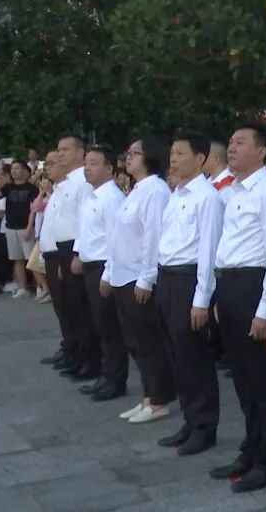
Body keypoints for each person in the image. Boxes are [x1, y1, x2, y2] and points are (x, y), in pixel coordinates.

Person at [210, 123, 266, 492]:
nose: (231, 148)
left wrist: (265, 309)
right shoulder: (233, 192)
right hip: (230, 285)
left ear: (261, 152)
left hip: (254, 286)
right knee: (242, 378)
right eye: (230, 142)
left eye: (240, 142)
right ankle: (252, 448)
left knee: (263, 380)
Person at [155, 132, 225, 452]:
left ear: (200, 159)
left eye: (181, 153)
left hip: (189, 280)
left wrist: (201, 299)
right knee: (175, 354)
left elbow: (208, 251)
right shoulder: (176, 194)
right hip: (168, 277)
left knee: (194, 356)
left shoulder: (207, 197)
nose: (173, 158)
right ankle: (190, 419)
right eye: (172, 152)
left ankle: (204, 426)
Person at [110, 138, 176, 425]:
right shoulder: (137, 190)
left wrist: (147, 278)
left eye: (136, 153)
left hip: (139, 277)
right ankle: (149, 396)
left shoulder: (156, 191)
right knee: (135, 341)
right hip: (123, 275)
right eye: (128, 152)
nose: (129, 157)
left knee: (149, 341)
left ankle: (159, 399)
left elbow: (153, 237)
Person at [72, 146, 127, 401]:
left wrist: (108, 273)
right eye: (86, 163)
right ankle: (106, 374)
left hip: (104, 266)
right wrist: (78, 253)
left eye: (94, 163)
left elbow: (116, 240)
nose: (87, 168)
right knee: (99, 324)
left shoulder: (112, 198)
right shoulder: (91, 196)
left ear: (109, 168)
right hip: (90, 265)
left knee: (109, 326)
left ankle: (116, 379)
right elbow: (84, 230)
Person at [43, 135, 98, 383]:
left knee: (80, 308)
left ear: (79, 153)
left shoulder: (82, 182)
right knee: (70, 308)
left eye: (65, 150)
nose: (60, 154)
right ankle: (78, 354)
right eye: (59, 150)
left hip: (74, 248)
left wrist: (77, 253)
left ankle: (89, 359)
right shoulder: (66, 184)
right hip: (61, 249)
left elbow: (83, 222)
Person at [26, 174, 52, 303]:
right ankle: (46, 288)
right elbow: (35, 207)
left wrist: (47, 192)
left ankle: (50, 291)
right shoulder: (41, 197)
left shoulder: (53, 197)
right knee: (33, 264)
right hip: (40, 234)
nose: (42, 184)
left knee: (46, 265)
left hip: (49, 235)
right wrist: (41, 193)